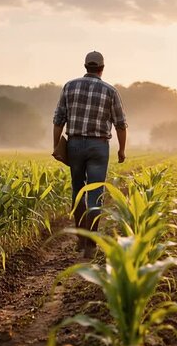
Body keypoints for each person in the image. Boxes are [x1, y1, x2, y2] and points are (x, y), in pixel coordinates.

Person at [52, 50, 127, 258]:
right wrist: (122, 149)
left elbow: (58, 119)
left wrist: (57, 146)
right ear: (102, 68)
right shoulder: (110, 91)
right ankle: (91, 246)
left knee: (78, 192)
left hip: (75, 144)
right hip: (99, 147)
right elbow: (120, 124)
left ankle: (80, 239)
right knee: (95, 194)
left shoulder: (70, 86)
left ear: (86, 67)